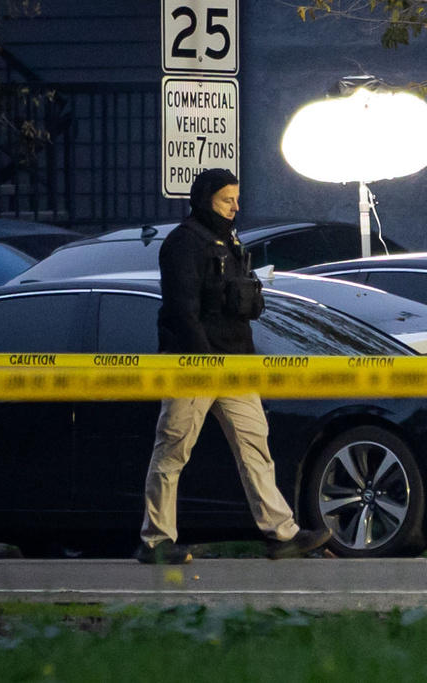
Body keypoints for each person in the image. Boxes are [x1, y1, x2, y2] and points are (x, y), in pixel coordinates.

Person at [134, 168, 331, 565]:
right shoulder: (184, 243)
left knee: (256, 447)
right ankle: (155, 541)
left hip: (235, 365)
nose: (235, 207)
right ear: (206, 200)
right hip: (195, 365)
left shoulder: (228, 240)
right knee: (173, 450)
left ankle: (282, 534)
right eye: (227, 200)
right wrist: (203, 358)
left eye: (237, 199)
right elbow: (180, 310)